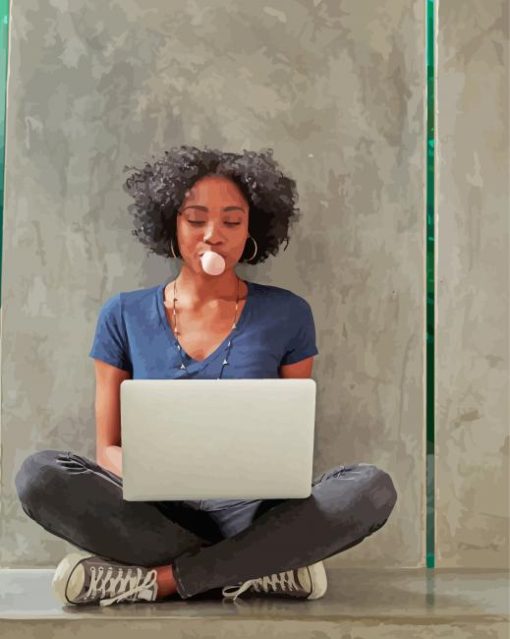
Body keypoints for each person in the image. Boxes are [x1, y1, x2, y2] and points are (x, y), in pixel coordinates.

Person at [14, 145, 398, 607]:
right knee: (39, 475)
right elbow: (107, 448)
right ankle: (260, 569)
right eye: (196, 220)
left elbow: (292, 440)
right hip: (156, 515)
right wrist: (151, 474)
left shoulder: (289, 314)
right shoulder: (123, 314)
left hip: (255, 514)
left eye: (231, 222)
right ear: (171, 225)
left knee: (371, 488)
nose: (213, 235)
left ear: (251, 230)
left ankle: (161, 581)